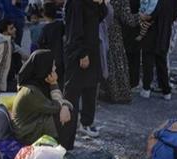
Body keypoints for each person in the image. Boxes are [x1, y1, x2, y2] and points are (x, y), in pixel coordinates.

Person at [12, 49, 76, 150]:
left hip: (34, 122)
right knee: (63, 118)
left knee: (66, 112)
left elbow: (58, 103)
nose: (55, 68)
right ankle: (61, 151)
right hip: (26, 133)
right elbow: (55, 107)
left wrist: (64, 105)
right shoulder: (30, 91)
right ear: (43, 67)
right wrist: (54, 85)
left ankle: (62, 150)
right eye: (52, 66)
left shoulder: (38, 83)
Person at [63, 0, 106, 139]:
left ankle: (86, 122)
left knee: (91, 87)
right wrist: (81, 53)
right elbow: (74, 30)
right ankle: (68, 124)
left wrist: (101, 3)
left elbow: (101, 16)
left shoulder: (91, 3)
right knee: (73, 90)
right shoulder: (75, 3)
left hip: (92, 49)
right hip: (78, 53)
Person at [138, 0, 177, 101]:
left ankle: (146, 89)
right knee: (161, 61)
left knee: (148, 60)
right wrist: (170, 17)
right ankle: (166, 91)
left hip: (151, 27)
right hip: (164, 28)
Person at [101, 0, 142, 103]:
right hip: (114, 33)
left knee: (107, 62)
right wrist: (141, 17)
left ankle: (108, 92)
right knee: (117, 63)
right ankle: (119, 94)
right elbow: (128, 19)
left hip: (102, 31)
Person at [37, 2, 64, 89]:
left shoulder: (45, 29)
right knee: (61, 82)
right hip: (61, 57)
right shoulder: (61, 25)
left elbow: (40, 44)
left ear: (43, 14)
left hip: (49, 59)